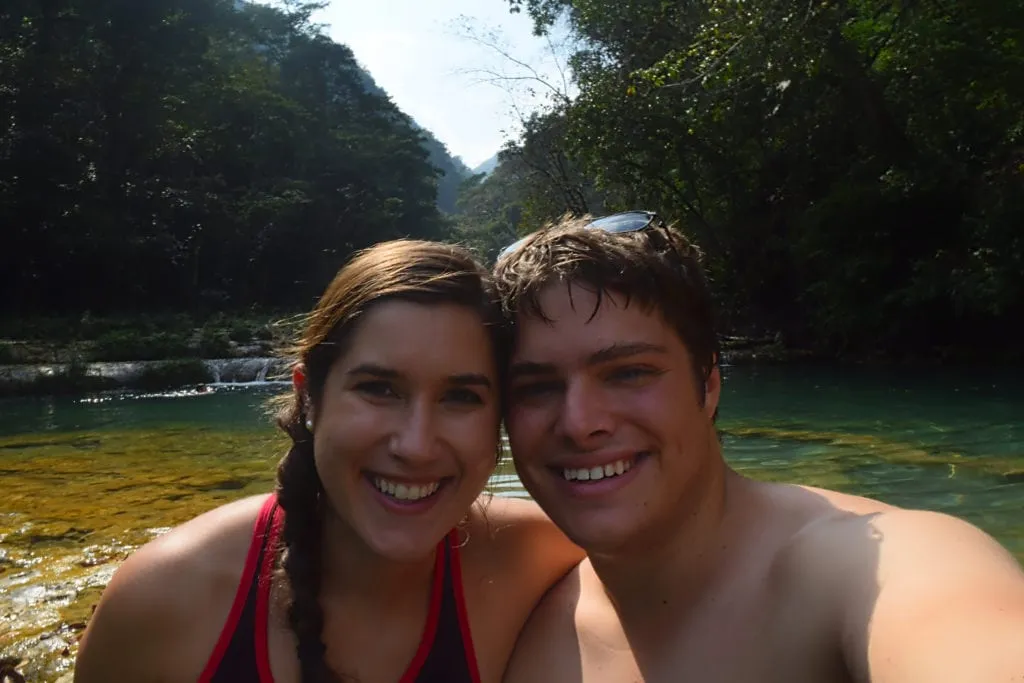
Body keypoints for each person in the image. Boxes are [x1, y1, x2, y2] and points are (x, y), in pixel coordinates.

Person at [492, 212, 1024, 683]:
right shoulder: (517, 616)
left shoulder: (861, 566)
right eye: (536, 386)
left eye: (629, 372)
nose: (581, 424)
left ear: (709, 385)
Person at [74, 239, 584, 683]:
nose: (416, 445)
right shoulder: (165, 599)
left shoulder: (544, 559)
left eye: (461, 397)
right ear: (310, 398)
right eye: (379, 389)